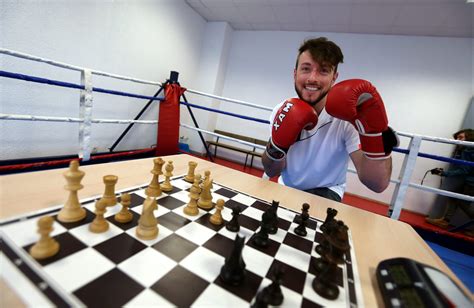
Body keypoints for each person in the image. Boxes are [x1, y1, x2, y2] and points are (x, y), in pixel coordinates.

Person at [262, 37, 398, 202]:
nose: (313, 78)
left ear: (334, 77)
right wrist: (277, 147)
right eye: (306, 69)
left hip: (328, 189)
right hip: (287, 185)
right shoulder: (281, 110)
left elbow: (377, 184)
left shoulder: (347, 117)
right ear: (295, 73)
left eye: (323, 71)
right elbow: (272, 171)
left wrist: (376, 134)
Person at [426, 129, 474, 233]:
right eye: (457, 138)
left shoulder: (468, 150)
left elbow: (464, 170)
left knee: (463, 203)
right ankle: (445, 221)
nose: (457, 140)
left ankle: (445, 221)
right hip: (470, 182)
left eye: (461, 137)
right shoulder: (468, 150)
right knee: (455, 198)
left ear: (469, 138)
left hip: (471, 183)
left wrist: (444, 173)